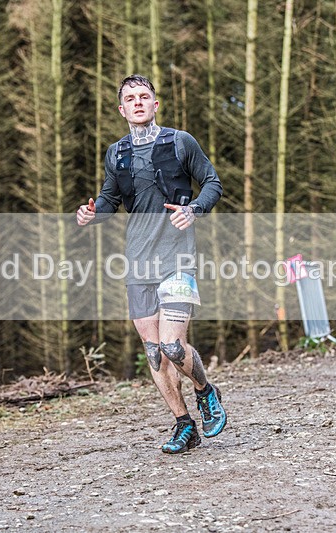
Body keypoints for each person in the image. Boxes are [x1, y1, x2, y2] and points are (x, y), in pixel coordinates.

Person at [76, 74, 226, 454]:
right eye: (131, 98)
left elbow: (212, 183)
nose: (138, 102)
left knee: (173, 347)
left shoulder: (179, 142)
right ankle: (183, 424)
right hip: (138, 263)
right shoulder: (117, 153)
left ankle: (206, 392)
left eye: (145, 96)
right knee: (154, 352)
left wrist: (193, 209)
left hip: (177, 258)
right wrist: (92, 213)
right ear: (122, 108)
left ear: (155, 104)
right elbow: (109, 200)